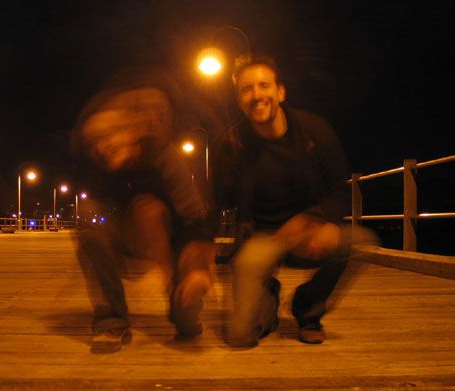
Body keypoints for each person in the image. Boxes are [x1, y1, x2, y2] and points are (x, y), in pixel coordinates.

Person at [213, 53, 357, 346]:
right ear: (239, 99)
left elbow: (341, 192)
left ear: (280, 92)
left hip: (307, 230)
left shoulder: (315, 131)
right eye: (246, 89)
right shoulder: (230, 145)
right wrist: (202, 246)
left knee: (354, 240)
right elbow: (218, 202)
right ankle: (267, 293)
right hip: (260, 237)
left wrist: (318, 219)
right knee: (242, 336)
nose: (256, 95)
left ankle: (308, 310)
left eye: (264, 85)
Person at [70, 68, 215, 353]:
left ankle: (181, 308)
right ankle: (111, 319)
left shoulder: (165, 159)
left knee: (147, 208)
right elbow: (97, 220)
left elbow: (195, 218)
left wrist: (194, 268)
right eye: (95, 143)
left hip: (172, 247)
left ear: (131, 131)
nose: (103, 146)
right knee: (88, 216)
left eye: (110, 135)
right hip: (127, 243)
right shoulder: (100, 168)